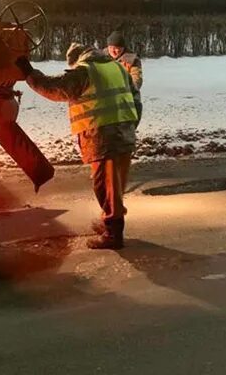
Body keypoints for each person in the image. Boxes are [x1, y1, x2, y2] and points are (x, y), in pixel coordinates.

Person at [16, 43, 141, 250]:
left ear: (77, 60)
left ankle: (113, 234)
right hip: (125, 133)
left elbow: (55, 88)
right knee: (116, 186)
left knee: (106, 187)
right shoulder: (116, 67)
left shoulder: (85, 71)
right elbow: (136, 98)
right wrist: (130, 125)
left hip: (103, 135)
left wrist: (29, 73)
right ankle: (108, 222)